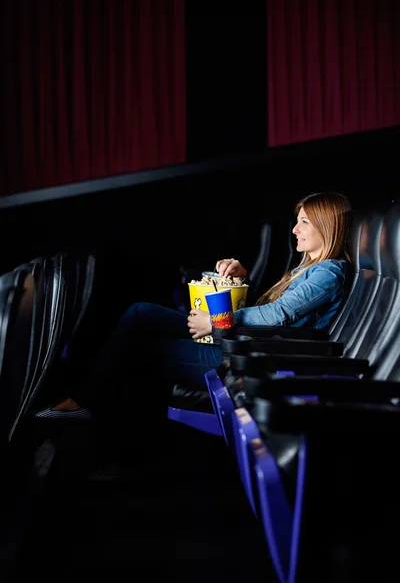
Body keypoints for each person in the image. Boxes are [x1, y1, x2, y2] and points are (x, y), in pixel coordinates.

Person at [37, 191, 353, 472]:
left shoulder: (328, 272)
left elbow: (278, 315)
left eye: (304, 222)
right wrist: (242, 280)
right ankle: (87, 406)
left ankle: (107, 441)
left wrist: (215, 324)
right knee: (140, 313)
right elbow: (270, 309)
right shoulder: (307, 268)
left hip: (250, 358)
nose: (295, 229)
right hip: (242, 343)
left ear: (326, 226)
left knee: (141, 352)